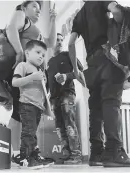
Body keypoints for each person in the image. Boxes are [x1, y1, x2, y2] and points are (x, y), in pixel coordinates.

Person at [68, 1, 130, 167]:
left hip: (91, 63)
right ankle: (114, 151)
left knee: (96, 108)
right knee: (111, 102)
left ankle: (96, 153)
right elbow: (117, 12)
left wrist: (76, 69)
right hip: (109, 57)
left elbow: (71, 43)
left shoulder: (79, 15)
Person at [5, 0, 56, 163]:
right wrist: (20, 52)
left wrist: (53, 20)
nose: (38, 10)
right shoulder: (21, 15)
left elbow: (50, 44)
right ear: (24, 7)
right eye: (34, 6)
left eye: (39, 8)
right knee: (18, 113)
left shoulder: (37, 31)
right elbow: (10, 28)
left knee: (31, 117)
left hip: (36, 75)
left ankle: (31, 151)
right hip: (24, 71)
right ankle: (16, 152)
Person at [12, 40, 53, 169]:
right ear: (27, 53)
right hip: (27, 104)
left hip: (38, 106)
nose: (41, 56)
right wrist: (32, 77)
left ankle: (34, 156)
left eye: (43, 54)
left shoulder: (40, 70)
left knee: (33, 132)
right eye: (38, 52)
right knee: (28, 132)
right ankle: (25, 158)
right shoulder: (23, 65)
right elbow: (15, 82)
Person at [47, 33, 83, 164]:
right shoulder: (49, 62)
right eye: (57, 39)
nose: (60, 42)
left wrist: (66, 76)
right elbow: (47, 83)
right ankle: (66, 154)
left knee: (69, 124)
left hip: (67, 94)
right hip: (54, 98)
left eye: (62, 40)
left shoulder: (68, 55)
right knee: (60, 127)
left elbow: (81, 71)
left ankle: (76, 154)